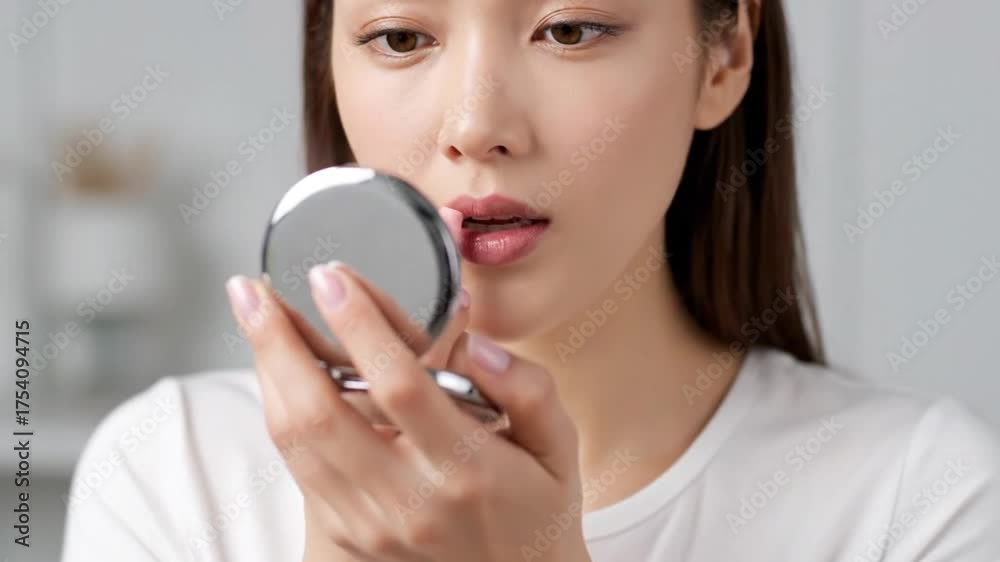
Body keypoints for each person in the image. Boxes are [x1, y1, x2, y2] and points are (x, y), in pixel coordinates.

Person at [62, 0, 1000, 560]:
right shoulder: (174, 472)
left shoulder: (918, 500)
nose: (476, 124)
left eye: (570, 29)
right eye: (400, 38)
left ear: (723, 57)